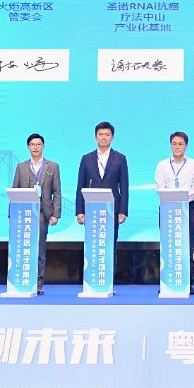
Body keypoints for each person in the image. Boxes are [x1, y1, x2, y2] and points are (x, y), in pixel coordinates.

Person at [76, 121, 129, 284]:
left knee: (109, 245)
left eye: (107, 135)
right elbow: (80, 186)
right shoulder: (86, 158)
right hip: (91, 209)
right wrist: (80, 211)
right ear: (95, 137)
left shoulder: (120, 158)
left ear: (112, 137)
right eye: (100, 134)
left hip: (112, 209)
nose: (103, 137)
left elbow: (124, 186)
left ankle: (108, 282)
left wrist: (123, 210)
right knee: (92, 244)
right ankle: (92, 280)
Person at [11, 133, 62, 295]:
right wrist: (12, 214)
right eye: (32, 144)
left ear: (43, 146)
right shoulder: (21, 166)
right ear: (28, 147)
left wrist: (55, 214)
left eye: (38, 144)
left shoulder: (52, 166)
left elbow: (57, 192)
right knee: (22, 247)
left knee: (39, 248)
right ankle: (21, 280)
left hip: (42, 213)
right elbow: (14, 190)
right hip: (23, 213)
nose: (35, 147)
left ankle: (38, 283)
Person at [154, 131, 194, 295]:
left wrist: (181, 198)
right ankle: (167, 281)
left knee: (187, 245)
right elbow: (159, 187)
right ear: (170, 146)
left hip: (188, 207)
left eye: (180, 144)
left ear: (186, 146)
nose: (177, 147)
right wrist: (173, 198)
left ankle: (187, 283)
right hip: (167, 209)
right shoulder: (162, 165)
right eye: (174, 144)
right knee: (168, 246)